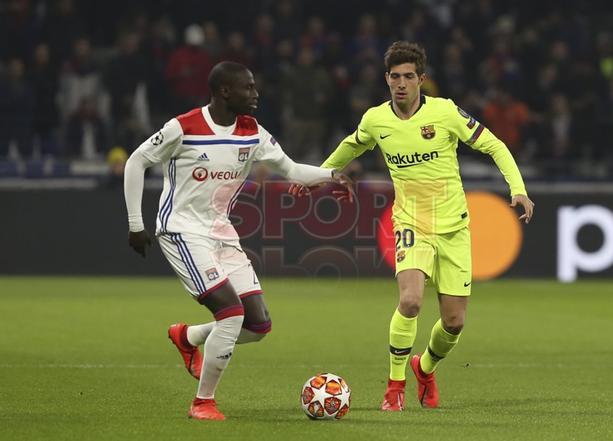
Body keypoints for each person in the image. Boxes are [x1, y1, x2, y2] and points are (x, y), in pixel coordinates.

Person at [291, 41, 534, 411]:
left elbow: (495, 146)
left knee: (454, 323)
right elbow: (349, 147)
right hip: (410, 223)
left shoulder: (446, 112)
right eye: (394, 77)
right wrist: (314, 176)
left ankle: (425, 367)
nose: (401, 84)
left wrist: (518, 189)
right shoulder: (376, 120)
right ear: (386, 79)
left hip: (453, 227)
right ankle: (395, 386)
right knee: (410, 300)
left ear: (422, 79)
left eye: (408, 76)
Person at [123, 61, 353, 421]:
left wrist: (332, 175)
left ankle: (189, 337)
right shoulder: (184, 127)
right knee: (231, 313)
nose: (256, 93)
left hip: (221, 232)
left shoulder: (252, 132)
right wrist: (136, 224)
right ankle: (203, 403)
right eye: (248, 87)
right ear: (224, 92)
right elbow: (136, 161)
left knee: (258, 324)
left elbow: (291, 170)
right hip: (182, 230)